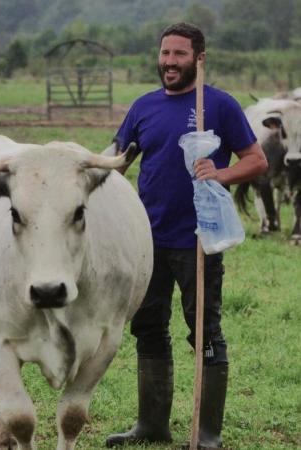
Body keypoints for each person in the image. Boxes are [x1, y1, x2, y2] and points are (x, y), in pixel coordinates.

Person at [104, 23, 267, 449]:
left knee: (205, 332)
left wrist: (222, 172)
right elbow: (118, 160)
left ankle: (207, 434)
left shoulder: (219, 105)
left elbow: (257, 159)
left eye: (179, 54)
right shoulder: (143, 107)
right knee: (148, 328)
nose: (170, 62)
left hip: (199, 238)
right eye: (165, 53)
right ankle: (151, 426)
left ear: (198, 58)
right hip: (148, 240)